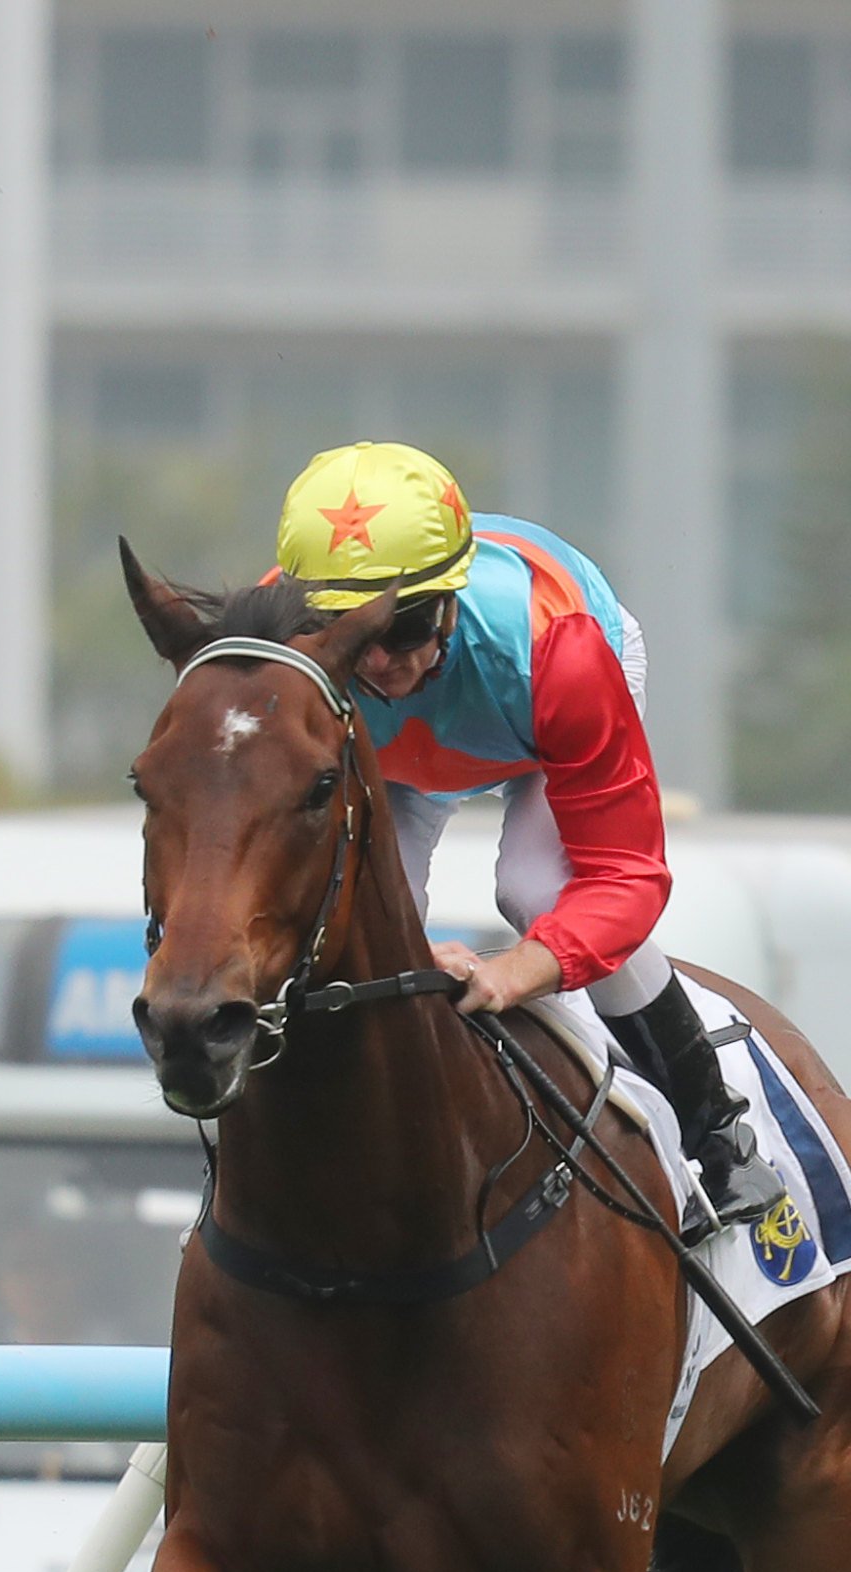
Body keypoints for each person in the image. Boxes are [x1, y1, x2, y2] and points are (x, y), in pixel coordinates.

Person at [268, 440, 785, 1227]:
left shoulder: (563, 651)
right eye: (343, 630)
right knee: (356, 931)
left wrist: (516, 972)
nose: (379, 663)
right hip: (398, 761)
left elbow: (628, 880)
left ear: (448, 599)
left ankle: (718, 1134)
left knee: (534, 888)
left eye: (403, 626)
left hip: (534, 712)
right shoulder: (279, 649)